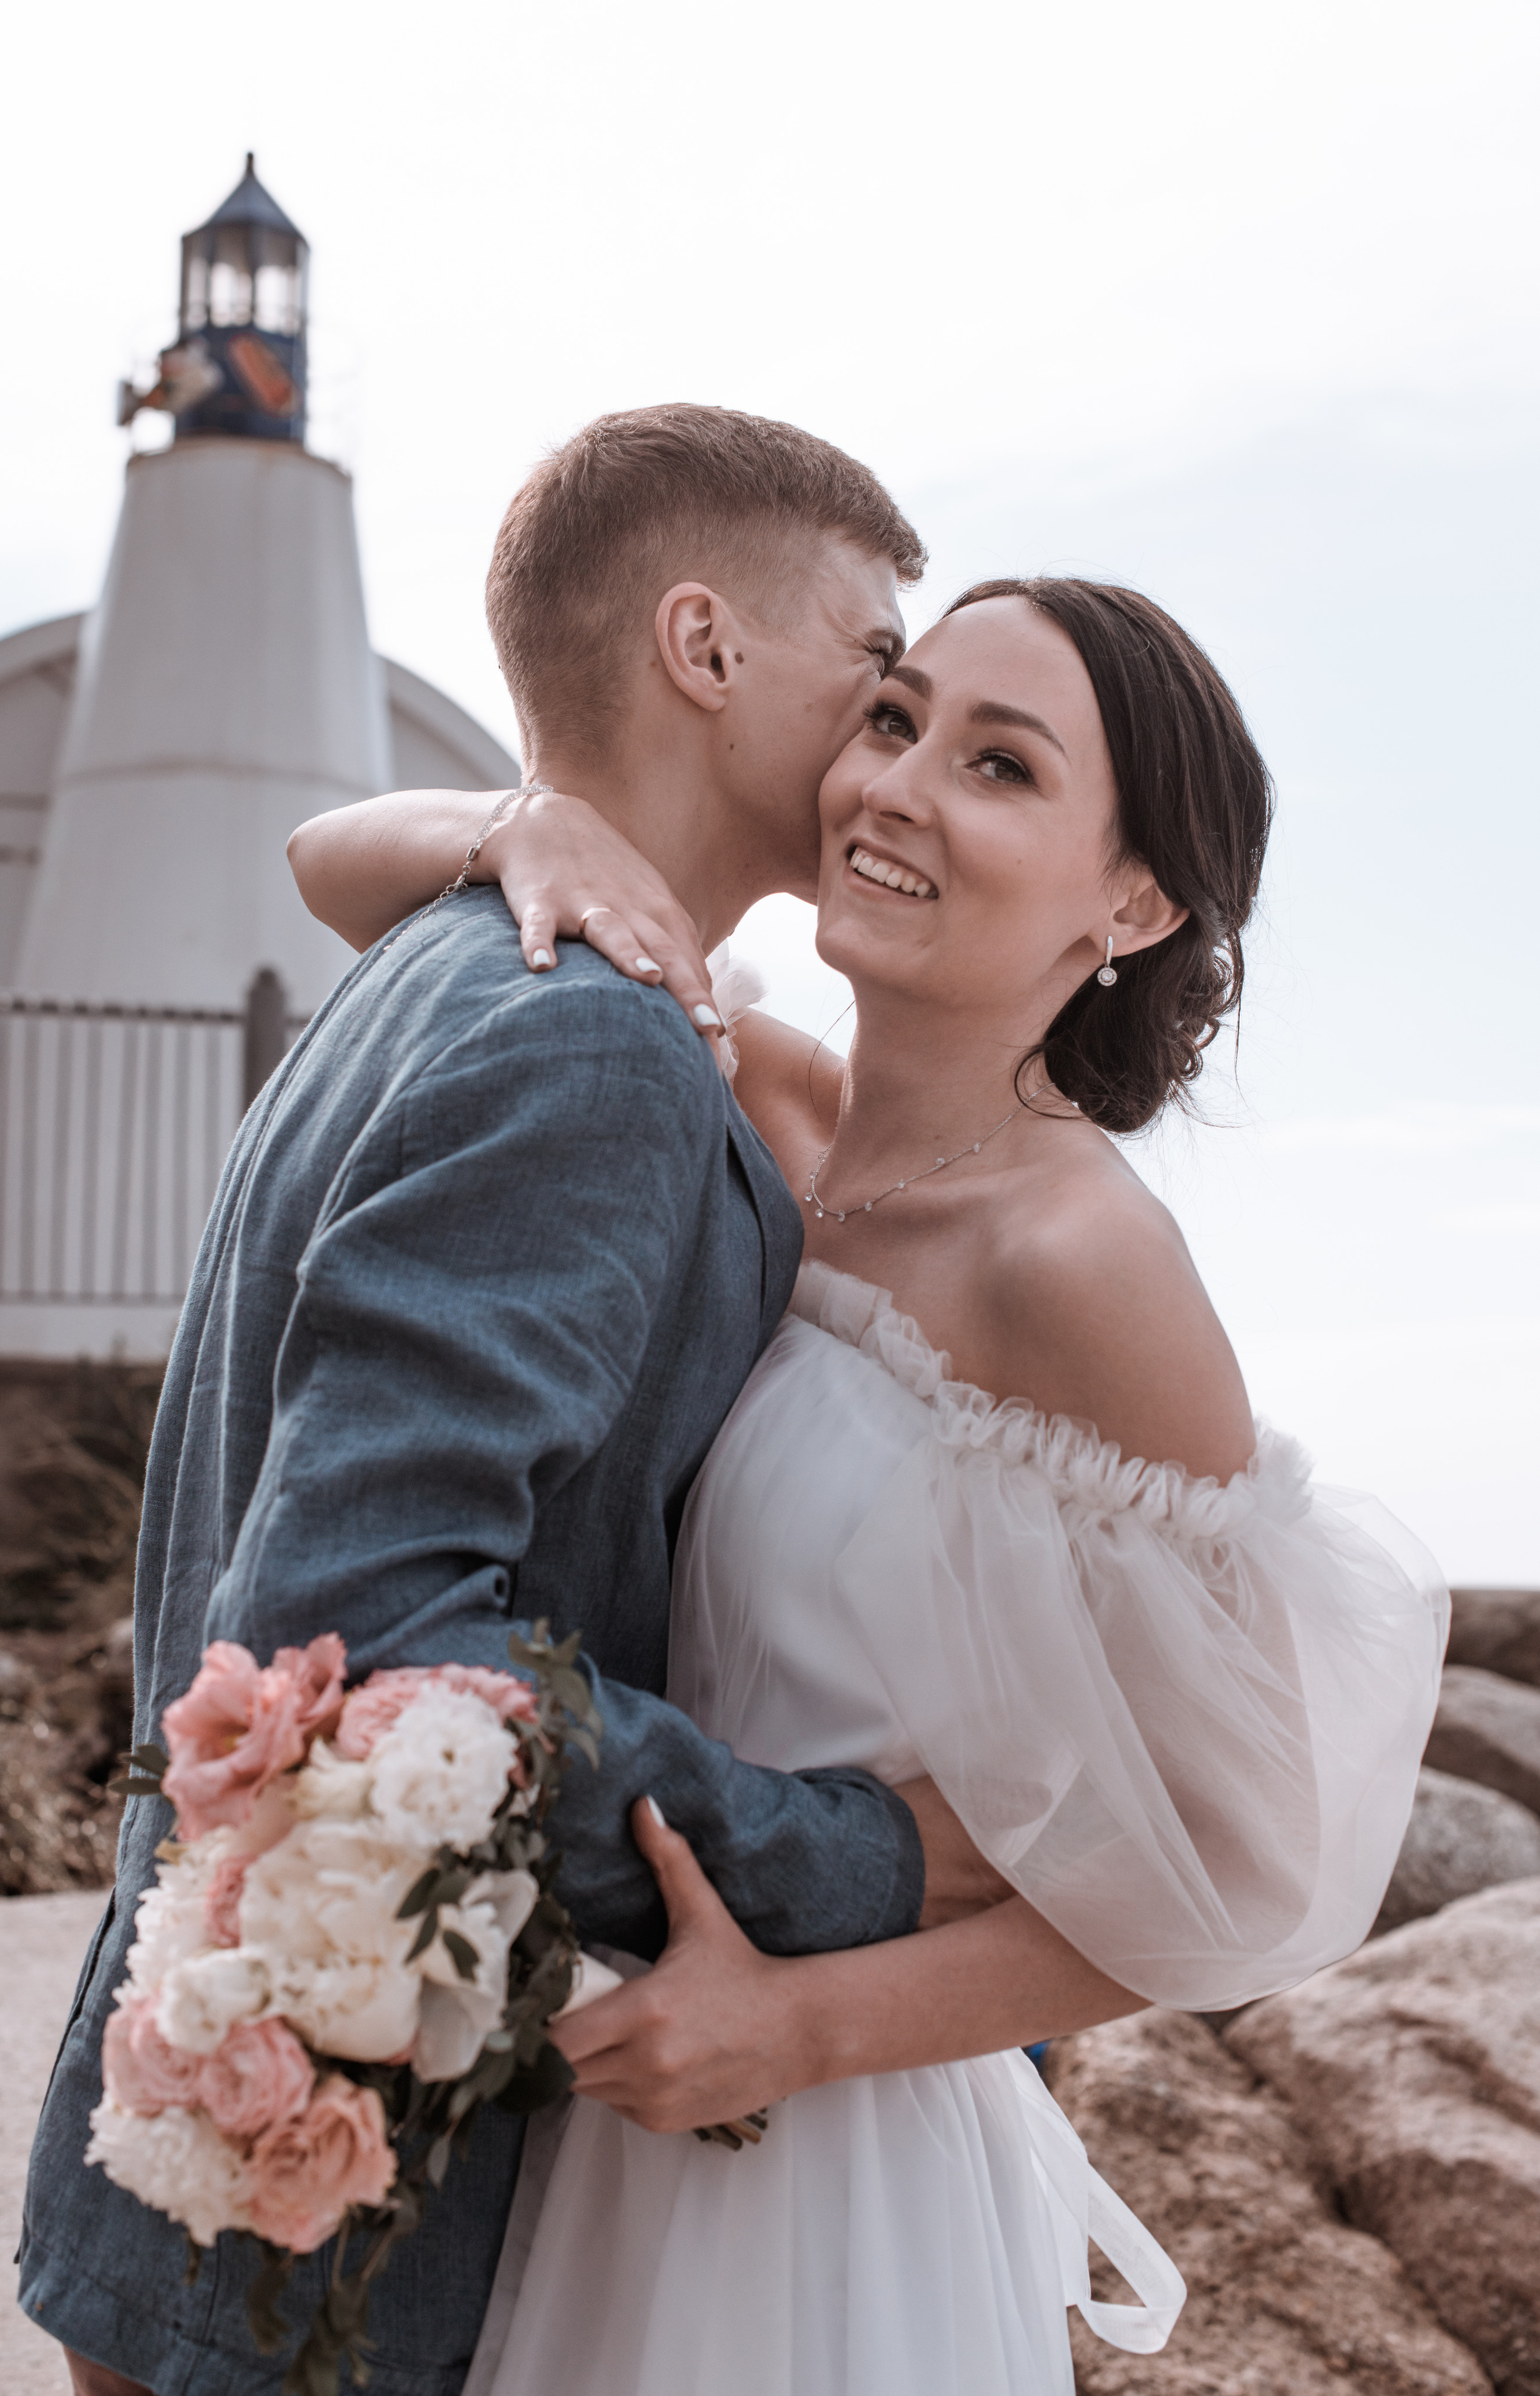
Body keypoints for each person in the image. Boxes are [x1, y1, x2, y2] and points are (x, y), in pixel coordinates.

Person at [20, 407, 1081, 2396]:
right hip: (353, 2224)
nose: (890, 744)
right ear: (705, 646)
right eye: (875, 669)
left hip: (217, 2153)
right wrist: (863, 1859)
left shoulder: (439, 967)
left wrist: (510, 821)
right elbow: (369, 1639)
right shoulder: (588, 1046)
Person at [291, 572, 1448, 2395]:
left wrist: (800, 2030)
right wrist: (535, 828)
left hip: (819, 2150)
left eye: (1000, 766)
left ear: (1134, 903)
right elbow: (328, 866)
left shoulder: (1079, 1263)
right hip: (597, 2088)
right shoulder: (754, 1096)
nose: (895, 787)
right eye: (896, 719)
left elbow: (1244, 1859)